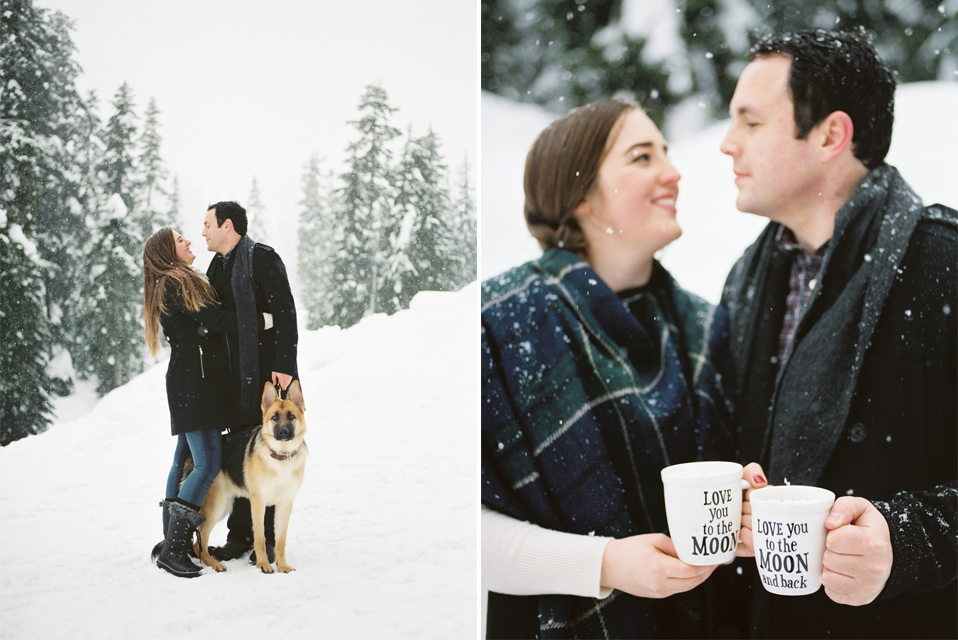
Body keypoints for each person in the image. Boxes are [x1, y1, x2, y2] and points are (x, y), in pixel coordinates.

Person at [718, 29, 956, 639]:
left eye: (750, 123)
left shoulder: (943, 265)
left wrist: (904, 541)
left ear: (830, 135)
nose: (726, 144)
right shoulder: (747, 278)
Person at [481, 100, 736, 638]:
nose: (672, 173)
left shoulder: (708, 326)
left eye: (666, 153)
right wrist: (606, 564)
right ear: (580, 199)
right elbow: (459, 530)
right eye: (642, 157)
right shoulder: (497, 324)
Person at [200, 200, 299, 564]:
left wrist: (285, 366)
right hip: (237, 380)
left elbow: (286, 313)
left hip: (270, 376)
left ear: (227, 226)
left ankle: (269, 540)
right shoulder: (216, 267)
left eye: (208, 223)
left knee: (275, 455)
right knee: (247, 459)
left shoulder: (261, 258)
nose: (203, 231)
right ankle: (242, 536)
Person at [143, 228, 240, 578]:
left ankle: (171, 540)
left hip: (189, 380)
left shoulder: (169, 282)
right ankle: (175, 549)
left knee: (182, 460)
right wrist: (261, 320)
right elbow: (216, 320)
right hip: (195, 384)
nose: (188, 242)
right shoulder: (175, 282)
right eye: (180, 240)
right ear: (168, 252)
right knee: (207, 463)